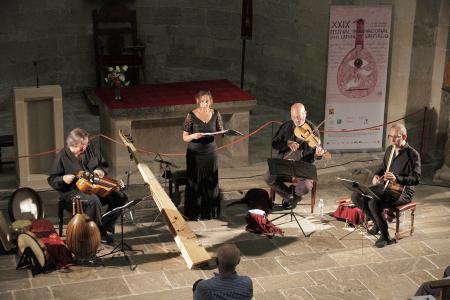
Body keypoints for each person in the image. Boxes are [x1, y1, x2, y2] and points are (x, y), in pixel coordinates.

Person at [47, 128, 127, 244]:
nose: (85, 148)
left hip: (95, 188)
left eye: (86, 144)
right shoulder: (62, 157)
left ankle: (104, 226)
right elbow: (52, 179)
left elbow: (103, 164)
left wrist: (100, 170)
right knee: (93, 200)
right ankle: (97, 233)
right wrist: (63, 178)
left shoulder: (91, 150)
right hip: (71, 193)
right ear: (73, 144)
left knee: (120, 197)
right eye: (82, 145)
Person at [351, 123, 421, 248]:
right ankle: (378, 223)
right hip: (387, 188)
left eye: (396, 137)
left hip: (403, 192)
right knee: (357, 195)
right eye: (390, 136)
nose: (392, 140)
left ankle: (385, 236)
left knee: (374, 203)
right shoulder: (390, 150)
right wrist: (376, 176)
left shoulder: (413, 155)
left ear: (404, 137)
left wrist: (397, 178)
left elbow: (416, 179)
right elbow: (383, 168)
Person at [264, 103, 325, 208]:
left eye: (299, 118)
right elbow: (275, 143)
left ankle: (292, 197)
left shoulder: (313, 130)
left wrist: (317, 154)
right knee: (268, 177)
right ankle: (291, 197)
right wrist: (287, 143)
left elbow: (317, 156)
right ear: (291, 116)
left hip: (303, 167)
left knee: (305, 187)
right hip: (285, 163)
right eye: (294, 118)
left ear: (305, 114)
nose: (297, 121)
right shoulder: (286, 126)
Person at [182, 90, 224, 221]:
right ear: (197, 101)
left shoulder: (216, 114)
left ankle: (210, 212)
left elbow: (220, 131)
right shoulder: (191, 115)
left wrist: (223, 133)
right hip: (195, 153)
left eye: (207, 101)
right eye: (202, 101)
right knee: (196, 181)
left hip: (210, 152)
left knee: (210, 180)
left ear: (210, 101)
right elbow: (184, 137)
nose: (204, 104)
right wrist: (193, 136)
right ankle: (195, 213)